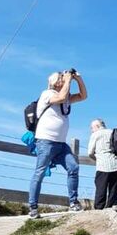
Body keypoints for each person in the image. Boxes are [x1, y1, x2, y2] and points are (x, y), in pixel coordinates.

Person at [28, 70, 87, 219]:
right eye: (61, 78)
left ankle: (73, 202)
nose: (64, 79)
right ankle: (33, 207)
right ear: (55, 82)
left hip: (61, 143)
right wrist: (68, 80)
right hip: (45, 141)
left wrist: (78, 79)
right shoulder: (47, 94)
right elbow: (61, 97)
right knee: (40, 172)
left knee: (73, 167)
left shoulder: (66, 97)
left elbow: (83, 96)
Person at [88, 119, 117, 209]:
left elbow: (90, 152)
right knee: (114, 189)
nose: (91, 130)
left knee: (101, 188)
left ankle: (99, 209)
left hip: (103, 165)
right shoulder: (113, 132)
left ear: (97, 126)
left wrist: (97, 159)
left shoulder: (95, 135)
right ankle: (111, 208)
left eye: (92, 127)